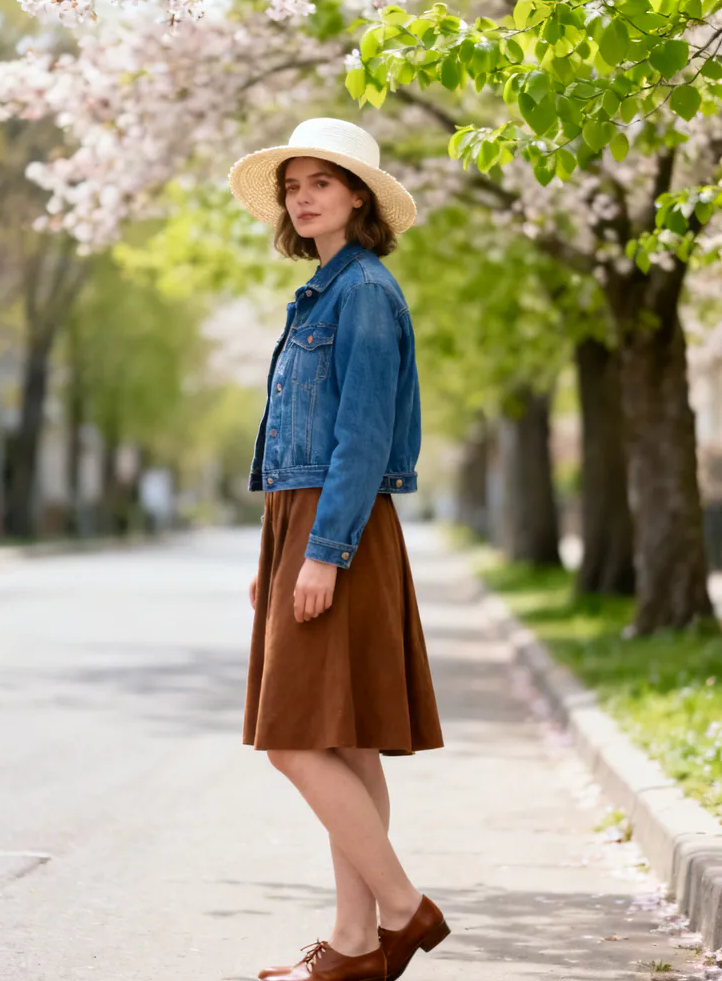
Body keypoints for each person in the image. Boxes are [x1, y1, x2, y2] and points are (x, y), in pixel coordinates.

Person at [228, 118, 449, 981]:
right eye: (293, 185)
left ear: (358, 195)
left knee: (293, 741)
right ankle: (356, 948)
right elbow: (297, 443)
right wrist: (273, 551)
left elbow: (358, 438)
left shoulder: (361, 293)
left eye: (322, 181)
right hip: (310, 521)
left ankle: (403, 911)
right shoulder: (325, 288)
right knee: (346, 744)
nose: (304, 196)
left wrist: (321, 552)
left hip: (340, 525)